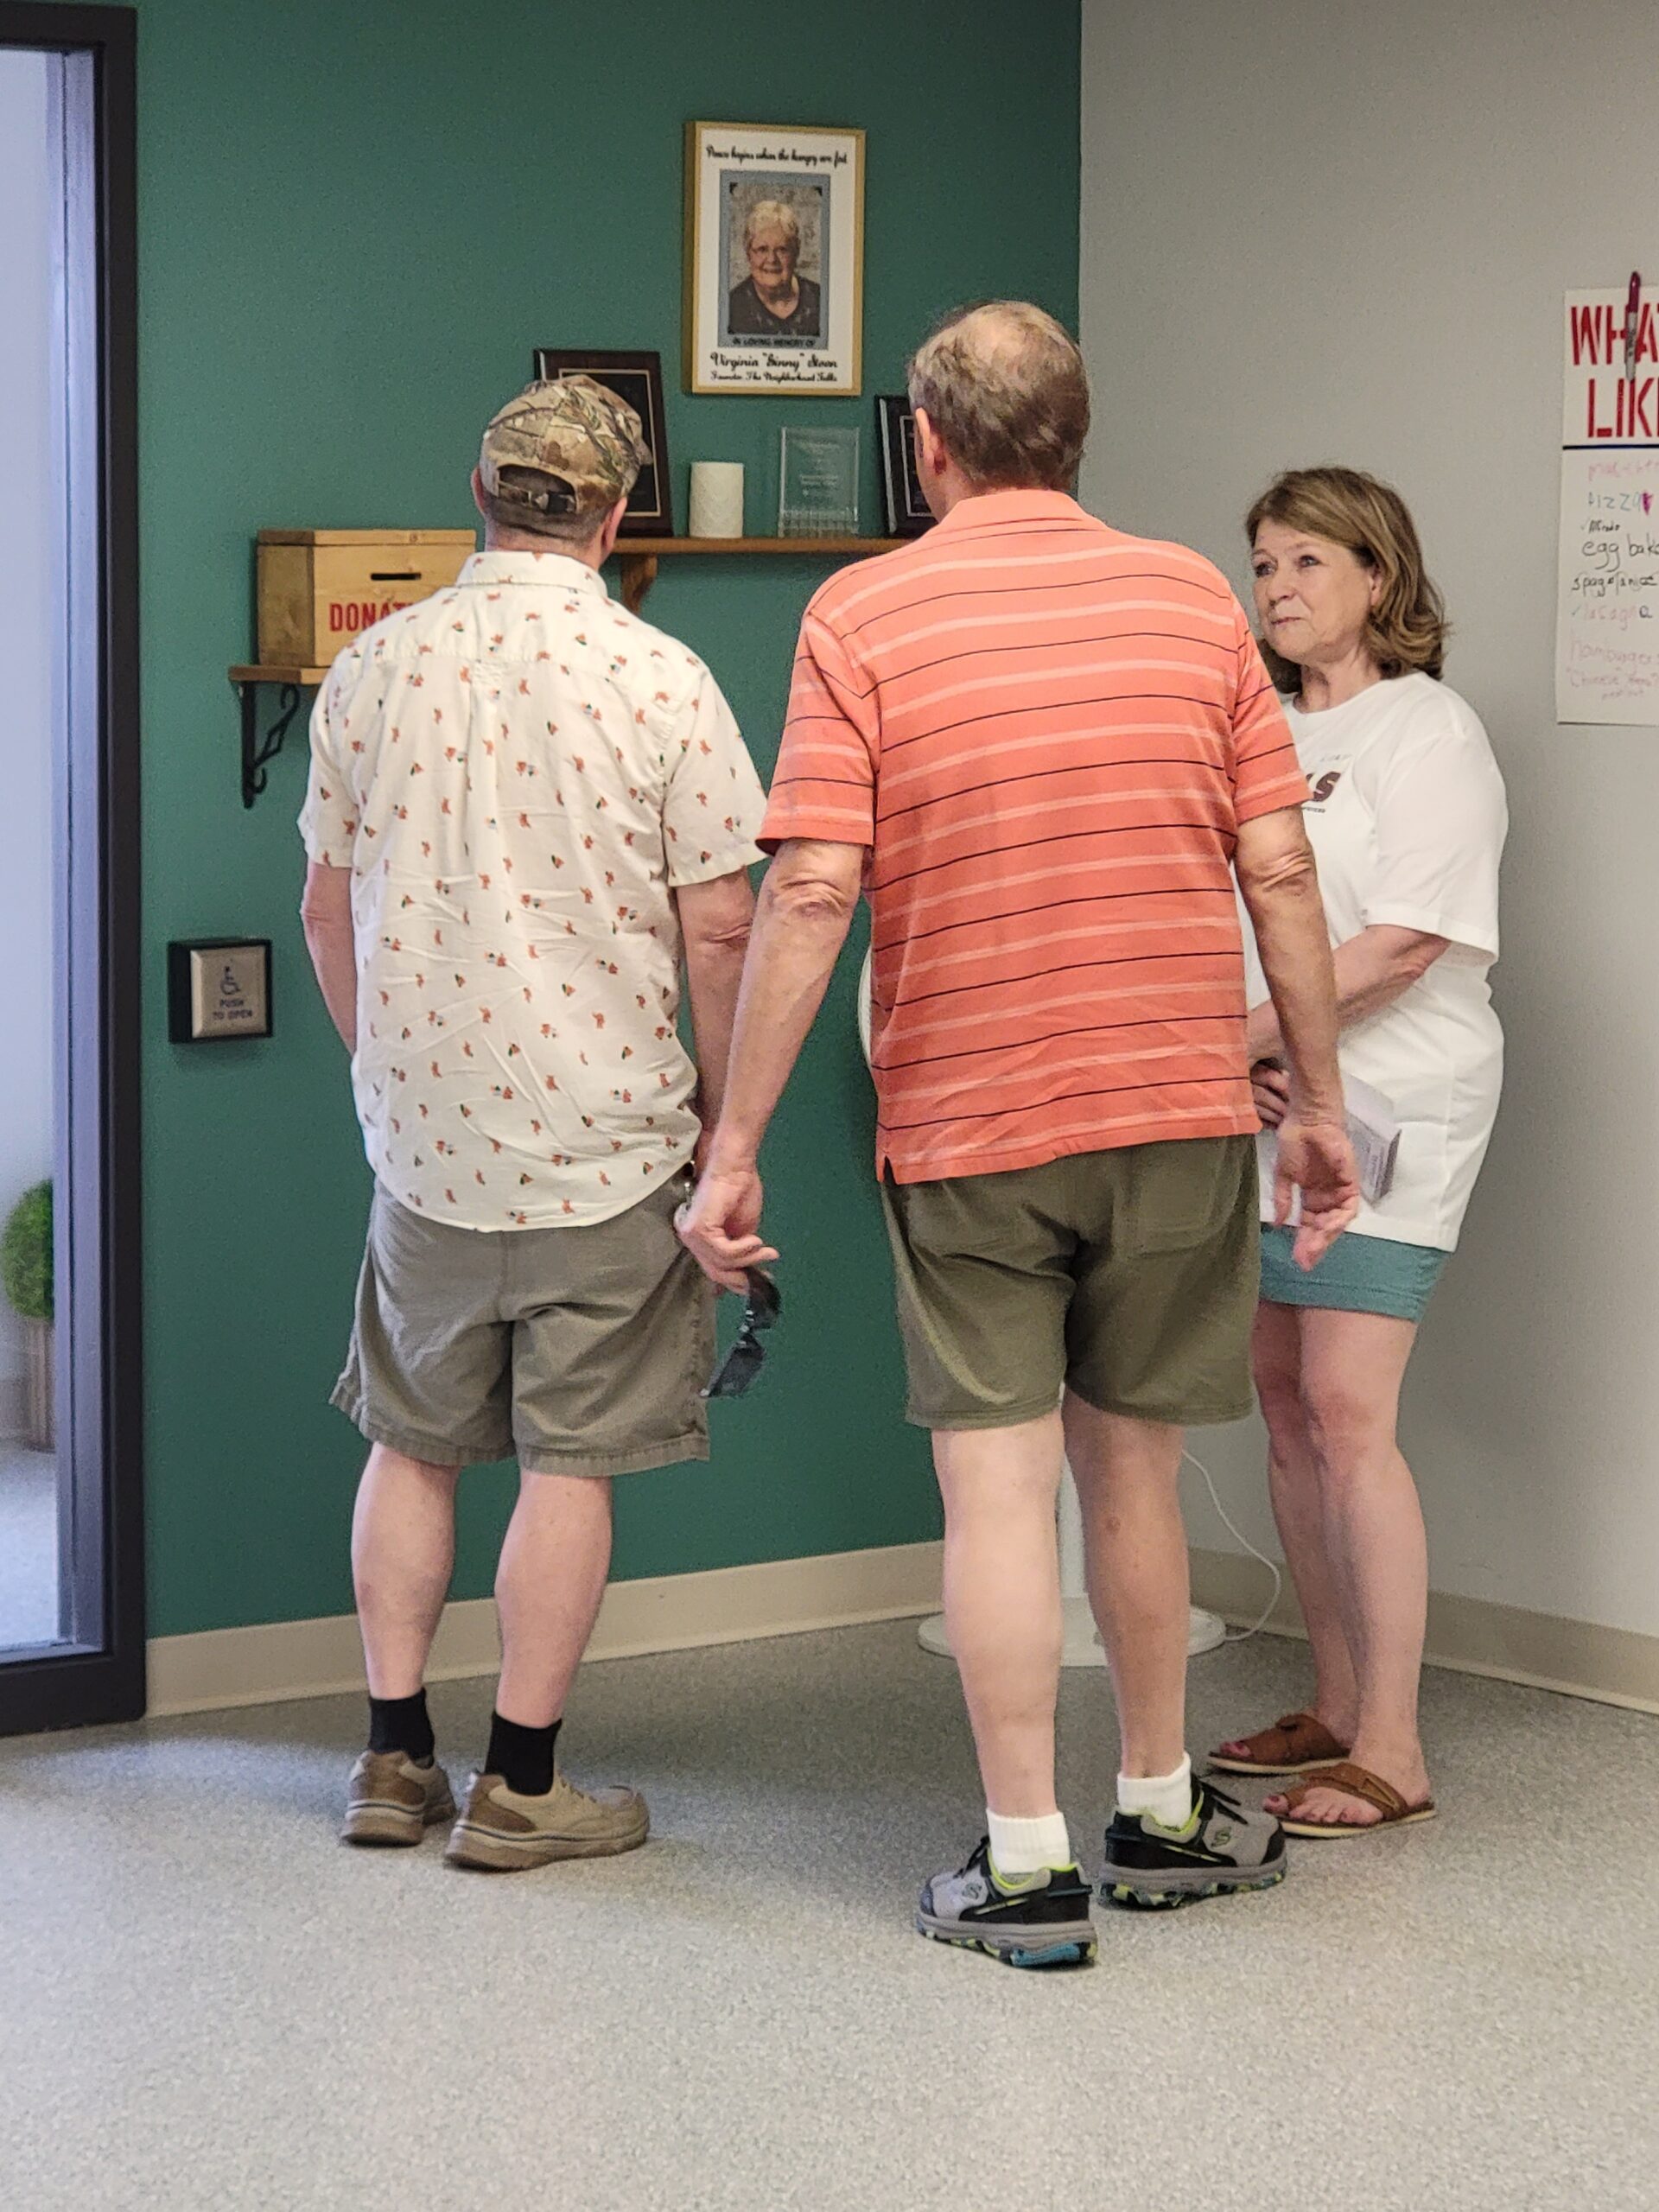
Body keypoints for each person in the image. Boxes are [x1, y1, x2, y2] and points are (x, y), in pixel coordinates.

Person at [677, 302, 1358, 1966]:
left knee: (993, 1493)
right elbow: (1278, 868)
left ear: (928, 445)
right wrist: (1323, 1109)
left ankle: (1031, 1862)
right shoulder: (1194, 601)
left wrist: (736, 1139)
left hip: (976, 1114)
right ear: (1080, 431)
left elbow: (817, 883)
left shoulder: (865, 610)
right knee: (1131, 1468)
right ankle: (1159, 1807)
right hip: (1174, 1103)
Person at [299, 377, 766, 1870]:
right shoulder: (662, 678)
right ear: (619, 518)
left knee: (411, 1447)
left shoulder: (373, 674)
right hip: (608, 1141)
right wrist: (721, 1120)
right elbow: (723, 935)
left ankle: (388, 1762)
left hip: (425, 1147)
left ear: (483, 495)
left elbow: (322, 913)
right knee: (570, 1466)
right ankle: (521, 1786)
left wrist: (386, 1072)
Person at [1211, 467, 1507, 1838]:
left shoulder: (1427, 730)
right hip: (1280, 1102)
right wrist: (1253, 1051)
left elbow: (1404, 940)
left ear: (1378, 577)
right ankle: (1332, 1703)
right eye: (1263, 565)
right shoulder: (1260, 730)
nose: (1277, 589)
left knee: (1346, 1409)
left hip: (1395, 1101)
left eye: (1307, 563)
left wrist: (1248, 1038)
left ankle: (1395, 1744)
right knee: (1281, 1400)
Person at [726, 197, 822, 342]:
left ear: (796, 252)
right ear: (748, 253)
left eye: (782, 250)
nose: (772, 259)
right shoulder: (730, 308)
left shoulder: (820, 300)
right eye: (762, 249)